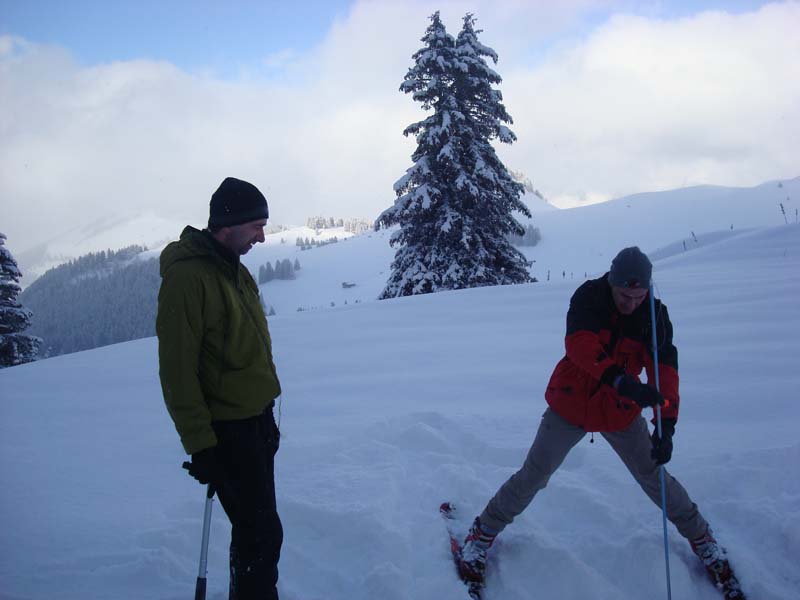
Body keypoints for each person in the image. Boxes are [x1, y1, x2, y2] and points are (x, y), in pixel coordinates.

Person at [459, 247, 743, 598]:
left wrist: (666, 424)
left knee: (654, 476)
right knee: (535, 474)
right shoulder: (589, 297)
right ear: (612, 283)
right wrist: (618, 379)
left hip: (619, 411)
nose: (631, 303)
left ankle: (703, 539)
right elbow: (579, 346)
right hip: (571, 404)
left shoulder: (655, 316)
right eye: (625, 295)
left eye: (639, 296)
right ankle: (481, 534)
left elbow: (665, 371)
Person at [157, 177, 283, 600]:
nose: (261, 237)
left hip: (256, 423)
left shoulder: (233, 269)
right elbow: (177, 370)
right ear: (228, 225)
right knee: (260, 535)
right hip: (228, 432)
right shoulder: (188, 279)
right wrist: (201, 445)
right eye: (256, 227)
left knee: (258, 532)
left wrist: (265, 413)